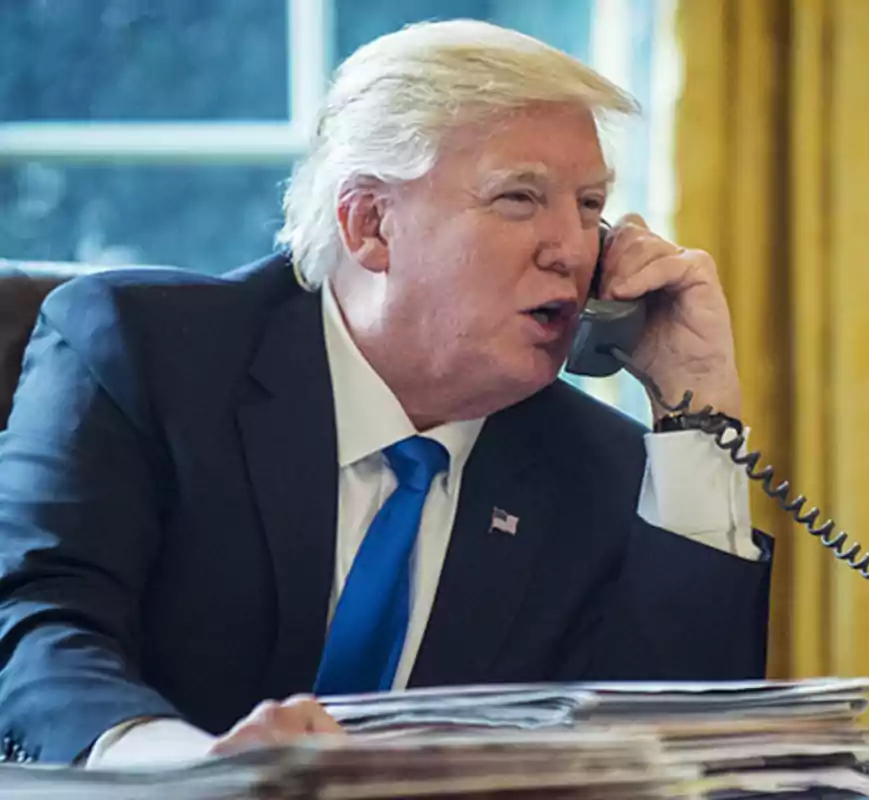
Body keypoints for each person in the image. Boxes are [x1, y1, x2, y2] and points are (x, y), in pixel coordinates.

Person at [0, 19, 772, 767]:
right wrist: (188, 767)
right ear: (370, 223)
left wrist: (696, 419)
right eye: (519, 198)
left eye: (590, 205)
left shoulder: (596, 465)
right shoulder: (141, 355)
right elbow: (35, 626)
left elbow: (683, 743)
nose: (571, 249)